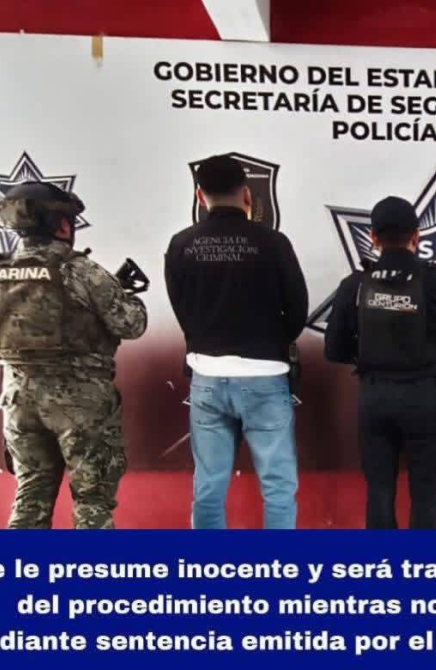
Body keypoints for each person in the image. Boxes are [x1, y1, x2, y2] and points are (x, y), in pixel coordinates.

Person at [0, 181, 147, 528]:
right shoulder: (81, 271)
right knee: (92, 503)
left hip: (18, 402)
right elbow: (132, 325)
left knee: (30, 494)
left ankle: (22, 565)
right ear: (62, 224)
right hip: (81, 403)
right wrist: (126, 298)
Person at [165, 154, 308, 529]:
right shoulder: (273, 242)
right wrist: (271, 341)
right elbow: (298, 310)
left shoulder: (181, 244)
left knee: (208, 486)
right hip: (266, 375)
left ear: (199, 196)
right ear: (248, 195)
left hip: (207, 375)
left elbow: (182, 310)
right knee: (278, 486)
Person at [324, 196, 436, 529]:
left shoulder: (355, 285)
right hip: (425, 398)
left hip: (374, 397)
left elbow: (333, 350)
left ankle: (383, 562)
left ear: (373, 238)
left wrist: (368, 353)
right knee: (425, 497)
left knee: (379, 493)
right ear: (416, 236)